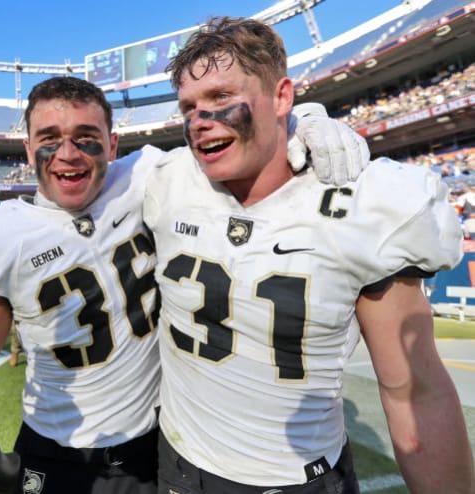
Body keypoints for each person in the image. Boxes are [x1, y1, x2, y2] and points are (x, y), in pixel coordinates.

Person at [0, 76, 370, 494]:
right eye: (49, 139)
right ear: (27, 149)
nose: (68, 153)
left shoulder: (145, 177)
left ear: (112, 144)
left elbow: (236, 142)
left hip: (153, 444)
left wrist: (299, 119)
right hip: (56, 451)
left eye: (87, 139)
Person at [143, 17, 474, 493]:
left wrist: (305, 120)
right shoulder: (166, 180)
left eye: (221, 97)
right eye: (189, 107)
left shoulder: (363, 203)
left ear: (281, 97)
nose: (200, 120)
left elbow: (414, 391)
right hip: (180, 463)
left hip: (299, 480)